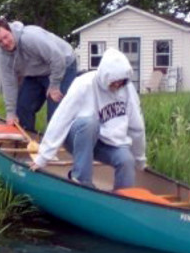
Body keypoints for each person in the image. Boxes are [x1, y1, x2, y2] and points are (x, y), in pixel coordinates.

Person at [30, 48, 146, 190]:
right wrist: (43, 157)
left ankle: (124, 199)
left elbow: (137, 127)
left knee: (126, 160)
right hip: (78, 136)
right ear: (104, 75)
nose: (117, 85)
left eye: (121, 82)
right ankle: (82, 182)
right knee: (89, 123)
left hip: (106, 142)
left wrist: (139, 159)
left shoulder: (127, 89)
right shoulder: (83, 84)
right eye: (114, 81)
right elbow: (61, 119)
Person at [0, 18, 77, 133]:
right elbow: (8, 83)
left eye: (6, 37)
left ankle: (58, 145)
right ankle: (28, 140)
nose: (5, 43)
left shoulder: (29, 38)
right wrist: (10, 113)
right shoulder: (4, 56)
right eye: (0, 41)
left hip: (63, 65)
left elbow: (57, 58)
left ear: (11, 31)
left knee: (55, 109)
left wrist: (54, 85)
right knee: (22, 106)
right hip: (36, 71)